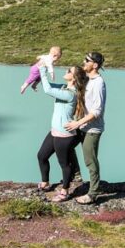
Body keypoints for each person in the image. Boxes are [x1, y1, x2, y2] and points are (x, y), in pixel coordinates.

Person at [36, 64, 88, 202]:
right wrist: (37, 77)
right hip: (54, 131)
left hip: (64, 135)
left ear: (74, 78)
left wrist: (42, 71)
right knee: (42, 156)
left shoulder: (70, 94)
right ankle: (45, 183)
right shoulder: (64, 88)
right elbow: (47, 84)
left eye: (69, 71)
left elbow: (47, 89)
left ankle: (65, 191)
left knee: (64, 164)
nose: (66, 71)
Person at [65, 51, 105, 204]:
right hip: (81, 125)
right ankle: (76, 175)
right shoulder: (87, 79)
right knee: (65, 146)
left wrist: (77, 123)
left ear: (95, 65)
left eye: (86, 60)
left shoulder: (99, 83)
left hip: (92, 129)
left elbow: (97, 111)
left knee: (90, 160)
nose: (84, 62)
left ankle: (93, 193)